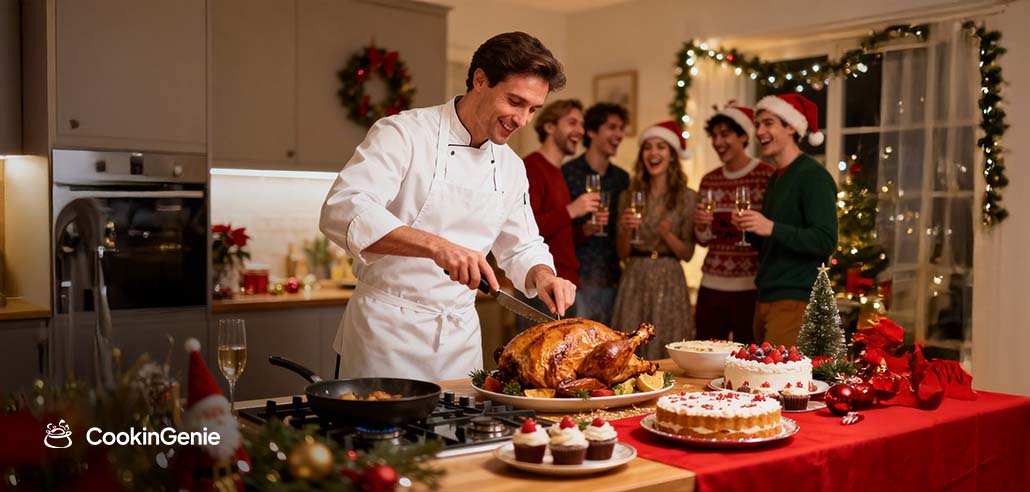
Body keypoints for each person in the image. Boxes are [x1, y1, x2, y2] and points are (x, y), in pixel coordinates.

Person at [319, 32, 577, 380]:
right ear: (480, 80)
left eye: (533, 109)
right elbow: (344, 209)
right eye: (515, 102)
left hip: (460, 342)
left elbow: (522, 245)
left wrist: (544, 275)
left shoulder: (511, 166)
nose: (523, 120)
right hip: (386, 336)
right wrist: (438, 247)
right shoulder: (404, 134)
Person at [732, 94, 838, 347]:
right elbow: (775, 241)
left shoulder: (813, 176)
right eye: (757, 125)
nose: (759, 131)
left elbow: (825, 241)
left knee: (773, 382)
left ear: (791, 127)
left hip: (794, 298)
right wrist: (754, 230)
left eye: (768, 123)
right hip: (767, 295)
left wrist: (770, 227)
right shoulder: (776, 178)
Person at [611, 121, 696, 357]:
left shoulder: (688, 198)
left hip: (670, 279)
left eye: (661, 147)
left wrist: (667, 235)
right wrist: (626, 229)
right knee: (630, 345)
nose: (653, 153)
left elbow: (687, 254)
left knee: (669, 344)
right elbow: (621, 252)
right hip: (634, 276)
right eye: (648, 147)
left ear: (672, 155)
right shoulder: (628, 195)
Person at [515, 99, 601, 332]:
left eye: (582, 125)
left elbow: (557, 235)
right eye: (572, 122)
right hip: (542, 284)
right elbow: (524, 230)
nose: (580, 131)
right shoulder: (532, 167)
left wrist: (583, 231)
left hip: (564, 283)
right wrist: (571, 211)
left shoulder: (557, 172)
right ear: (550, 127)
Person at [693, 104, 774, 344]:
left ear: (744, 136)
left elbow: (771, 233)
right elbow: (702, 239)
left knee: (747, 361)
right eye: (714, 136)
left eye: (725, 134)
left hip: (750, 288)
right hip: (711, 286)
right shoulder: (709, 180)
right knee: (704, 355)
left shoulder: (765, 175)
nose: (718, 142)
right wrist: (699, 226)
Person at [562, 103, 630, 326]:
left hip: (613, 279)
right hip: (578, 281)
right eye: (612, 127)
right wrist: (585, 229)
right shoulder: (568, 173)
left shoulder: (622, 178)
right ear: (591, 131)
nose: (619, 134)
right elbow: (555, 233)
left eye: (621, 128)